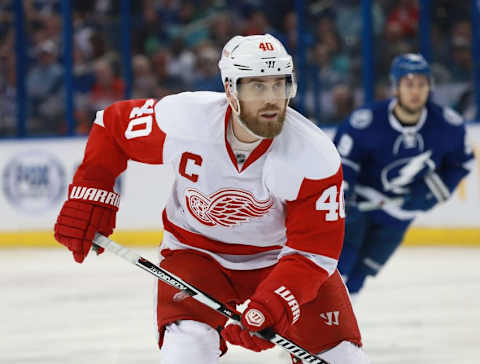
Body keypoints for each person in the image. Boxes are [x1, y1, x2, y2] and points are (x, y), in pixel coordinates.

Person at [53, 34, 370, 364]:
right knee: (186, 353)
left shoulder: (313, 156)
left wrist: (276, 301)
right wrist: (91, 193)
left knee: (344, 358)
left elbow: (313, 252)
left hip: (281, 261)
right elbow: (111, 127)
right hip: (197, 256)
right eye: (257, 87)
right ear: (231, 89)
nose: (272, 99)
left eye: (279, 85)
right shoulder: (184, 120)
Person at [333, 53, 475, 301]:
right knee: (342, 262)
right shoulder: (366, 121)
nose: (415, 91)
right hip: (361, 204)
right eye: (409, 84)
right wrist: (344, 196)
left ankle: (341, 320)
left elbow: (461, 162)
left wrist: (433, 192)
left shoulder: (446, 125)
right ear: (395, 87)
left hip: (400, 213)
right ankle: (319, 316)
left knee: (363, 272)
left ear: (429, 87)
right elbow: (343, 159)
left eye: (421, 84)